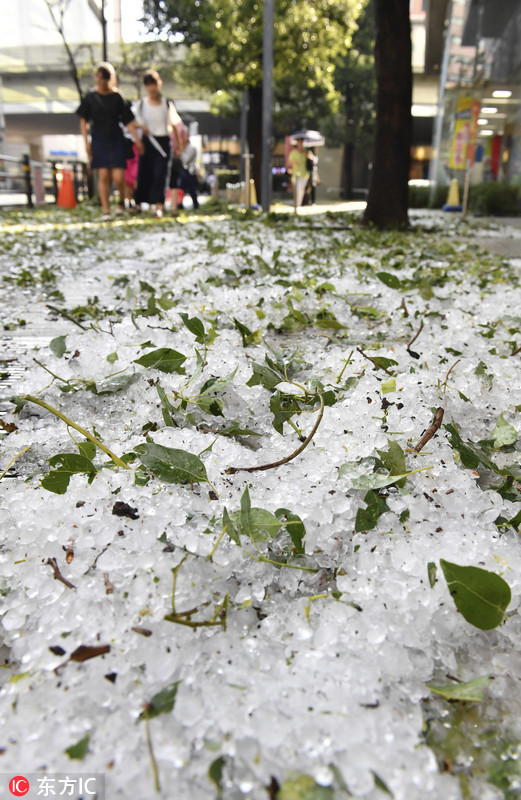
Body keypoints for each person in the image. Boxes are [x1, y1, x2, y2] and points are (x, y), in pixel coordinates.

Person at [77, 62, 143, 221]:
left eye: (105, 78)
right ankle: (106, 211)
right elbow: (84, 121)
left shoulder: (118, 97)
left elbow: (128, 121)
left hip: (116, 139)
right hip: (99, 139)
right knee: (103, 176)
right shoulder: (90, 98)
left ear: (110, 79)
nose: (102, 81)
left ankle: (121, 201)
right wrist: (86, 142)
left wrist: (138, 140)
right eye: (99, 78)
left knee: (119, 177)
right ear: (95, 78)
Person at [132, 70, 182, 218]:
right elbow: (131, 122)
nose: (151, 87)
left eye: (153, 84)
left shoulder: (167, 103)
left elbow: (174, 124)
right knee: (146, 173)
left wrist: (178, 144)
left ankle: (159, 206)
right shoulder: (141, 104)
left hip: (163, 142)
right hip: (147, 141)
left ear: (159, 84)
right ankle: (141, 203)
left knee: (161, 174)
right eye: (148, 84)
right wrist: (140, 131)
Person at [287, 136, 309, 212]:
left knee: (301, 190)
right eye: (299, 141)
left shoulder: (305, 152)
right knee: (298, 189)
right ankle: (296, 205)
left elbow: (313, 159)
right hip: (295, 174)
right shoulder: (293, 152)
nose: (300, 143)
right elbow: (289, 162)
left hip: (304, 174)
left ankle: (298, 205)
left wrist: (307, 154)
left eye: (301, 141)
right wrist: (295, 163)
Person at [179, 135, 199, 210]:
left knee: (191, 189)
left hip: (190, 171)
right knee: (181, 188)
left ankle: (195, 204)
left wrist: (181, 151)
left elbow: (185, 160)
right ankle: (179, 204)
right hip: (184, 171)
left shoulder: (191, 148)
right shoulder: (183, 148)